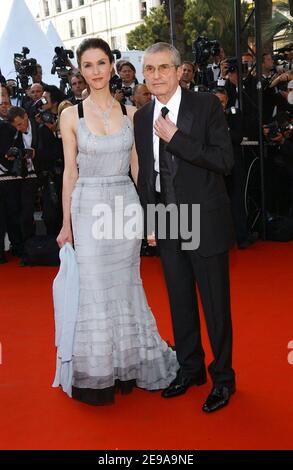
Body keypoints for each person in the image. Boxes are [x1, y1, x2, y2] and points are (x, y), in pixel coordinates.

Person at [56, 38, 178, 406]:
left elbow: (140, 168)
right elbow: (69, 173)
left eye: (101, 63)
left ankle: (130, 362)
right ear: (81, 70)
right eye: (88, 65)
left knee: (127, 283)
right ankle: (97, 373)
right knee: (94, 288)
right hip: (88, 205)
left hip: (123, 206)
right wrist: (66, 224)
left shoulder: (132, 114)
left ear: (113, 66)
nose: (95, 71)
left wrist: (150, 216)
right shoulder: (70, 115)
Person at [134, 42, 236, 413]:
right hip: (165, 217)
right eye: (149, 69)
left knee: (214, 305)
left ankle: (223, 378)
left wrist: (177, 139)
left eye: (163, 68)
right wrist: (149, 219)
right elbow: (147, 174)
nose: (156, 76)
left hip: (202, 218)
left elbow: (224, 160)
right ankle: (190, 368)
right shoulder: (142, 117)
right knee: (179, 301)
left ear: (180, 72)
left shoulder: (206, 106)